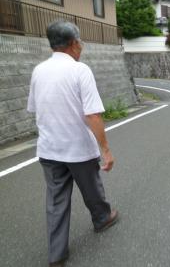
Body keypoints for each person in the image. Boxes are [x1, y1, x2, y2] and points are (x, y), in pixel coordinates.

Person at [27, 21, 118, 267]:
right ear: (74, 43)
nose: (82, 47)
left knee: (56, 201)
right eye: (80, 42)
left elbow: (34, 109)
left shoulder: (38, 71)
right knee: (92, 190)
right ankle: (102, 219)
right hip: (78, 150)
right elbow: (93, 115)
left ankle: (56, 255)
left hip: (48, 149)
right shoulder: (80, 71)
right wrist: (106, 150)